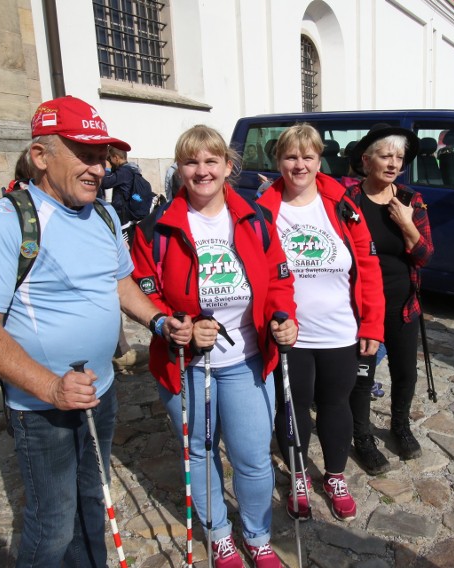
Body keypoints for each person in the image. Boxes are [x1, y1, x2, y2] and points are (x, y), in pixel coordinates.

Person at [0, 96, 193, 567]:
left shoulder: (104, 215)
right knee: (52, 523)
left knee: (94, 497)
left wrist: (158, 321)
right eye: (84, 155)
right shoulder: (3, 223)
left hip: (100, 391)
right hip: (41, 406)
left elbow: (119, 280)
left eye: (101, 156)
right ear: (42, 157)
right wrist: (51, 387)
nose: (98, 168)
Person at [130, 125, 297, 568]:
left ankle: (258, 537)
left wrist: (284, 318)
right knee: (199, 454)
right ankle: (220, 535)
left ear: (227, 166)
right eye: (191, 162)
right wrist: (171, 323)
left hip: (246, 360)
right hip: (185, 365)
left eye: (210, 161)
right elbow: (144, 292)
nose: (201, 171)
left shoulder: (255, 220)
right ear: (180, 169)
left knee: (253, 457)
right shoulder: (154, 229)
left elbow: (280, 279)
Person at [257, 124, 384, 521]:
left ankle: (334, 476)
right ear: (279, 162)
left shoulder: (342, 204)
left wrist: (372, 327)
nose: (299, 165)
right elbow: (257, 271)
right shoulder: (263, 208)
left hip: (340, 329)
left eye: (307, 156)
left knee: (335, 404)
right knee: (291, 407)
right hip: (289, 332)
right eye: (290, 157)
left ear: (318, 160)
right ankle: (298, 474)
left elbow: (368, 266)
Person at [346, 124, 433, 473]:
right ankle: (362, 437)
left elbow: (425, 255)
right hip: (361, 307)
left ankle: (400, 427)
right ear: (367, 161)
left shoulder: (411, 200)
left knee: (404, 372)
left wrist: (407, 224)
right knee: (363, 375)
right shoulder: (348, 202)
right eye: (385, 156)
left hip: (403, 304)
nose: (394, 163)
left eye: (399, 157)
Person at [100, 145, 153, 242]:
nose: (109, 161)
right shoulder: (131, 170)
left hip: (123, 215)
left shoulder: (124, 172)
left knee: (124, 245)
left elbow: (105, 182)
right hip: (126, 214)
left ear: (116, 158)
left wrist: (107, 169)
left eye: (110, 158)